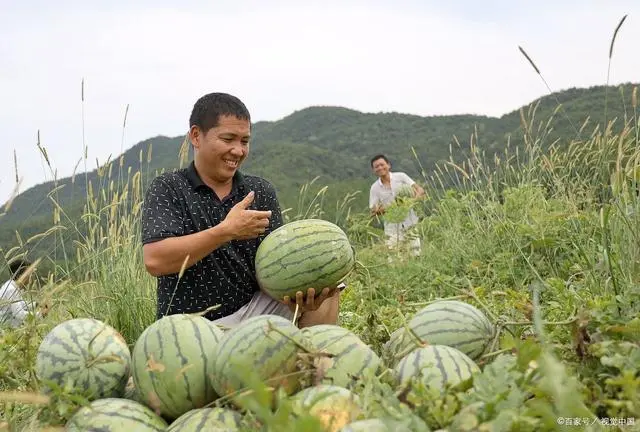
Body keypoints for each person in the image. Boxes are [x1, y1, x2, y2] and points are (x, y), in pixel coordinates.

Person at [141, 92, 343, 329]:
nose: (238, 150)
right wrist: (226, 231)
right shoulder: (169, 188)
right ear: (196, 136)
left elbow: (275, 269)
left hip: (256, 316)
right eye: (228, 139)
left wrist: (298, 295)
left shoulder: (260, 191)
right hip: (195, 328)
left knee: (328, 289)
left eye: (244, 141)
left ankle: (314, 363)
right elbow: (155, 260)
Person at [368, 154, 425, 255]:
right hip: (392, 229)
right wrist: (393, 206)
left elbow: (420, 190)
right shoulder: (375, 188)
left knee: (415, 255)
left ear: (388, 165)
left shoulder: (401, 177)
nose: (380, 168)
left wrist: (411, 201)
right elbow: (373, 211)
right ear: (373, 170)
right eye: (376, 166)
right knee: (394, 259)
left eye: (382, 164)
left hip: (410, 224)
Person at [0, 258, 41, 328]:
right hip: (5, 329)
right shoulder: (11, 289)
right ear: (20, 276)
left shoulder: (12, 286)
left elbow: (20, 304)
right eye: (30, 273)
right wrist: (40, 315)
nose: (32, 276)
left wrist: (37, 304)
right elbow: (19, 314)